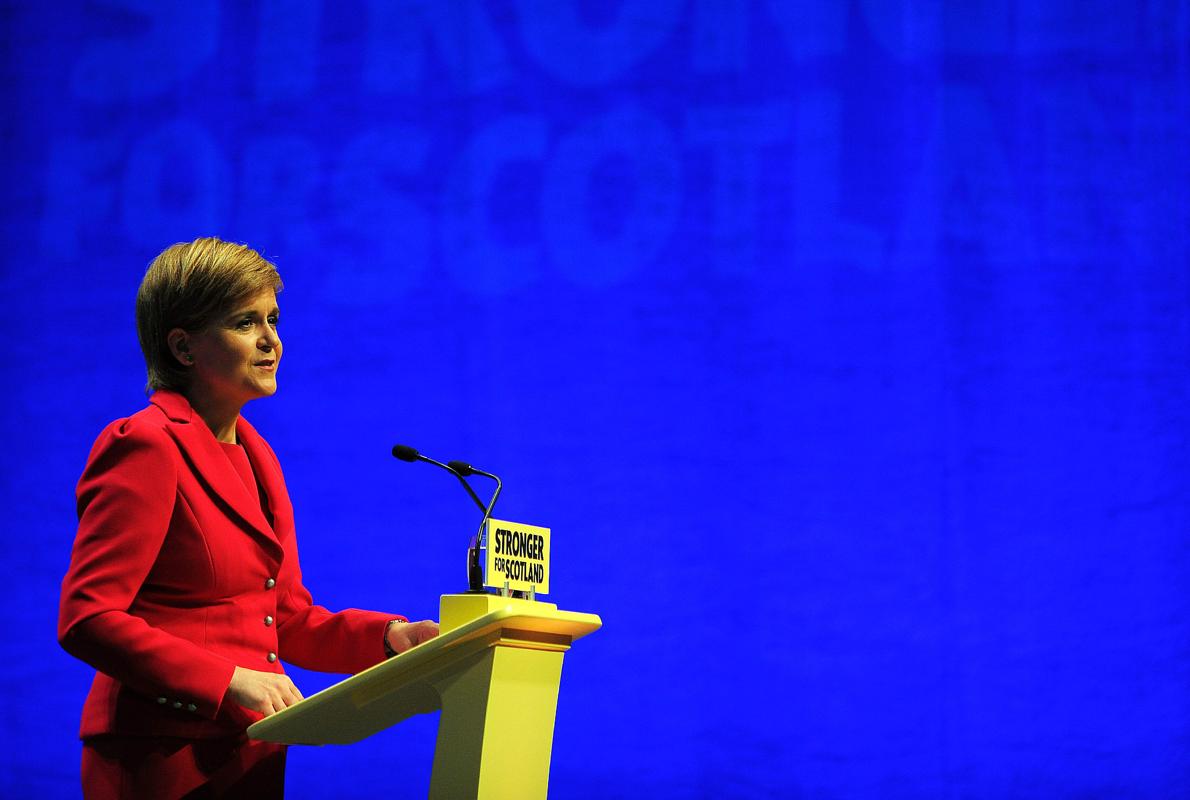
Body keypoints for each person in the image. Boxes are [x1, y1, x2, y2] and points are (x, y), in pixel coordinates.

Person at [58, 237, 439, 798]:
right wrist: (229, 682)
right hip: (160, 754)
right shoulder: (145, 445)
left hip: (250, 752)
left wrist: (389, 638)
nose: (271, 341)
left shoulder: (257, 455)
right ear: (184, 348)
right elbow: (87, 617)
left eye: (273, 320)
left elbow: (284, 619)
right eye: (245, 323)